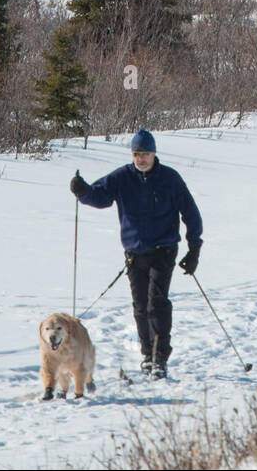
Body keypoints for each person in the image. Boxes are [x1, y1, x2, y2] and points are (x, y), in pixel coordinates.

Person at [70, 129, 203, 378]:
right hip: (134, 252)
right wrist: (82, 191)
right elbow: (100, 196)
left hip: (163, 250)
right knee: (141, 306)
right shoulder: (122, 177)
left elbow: (190, 212)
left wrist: (194, 247)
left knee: (156, 303)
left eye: (146, 154)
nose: (141, 159)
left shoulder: (170, 179)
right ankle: (147, 355)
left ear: (154, 154)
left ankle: (160, 357)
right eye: (137, 154)